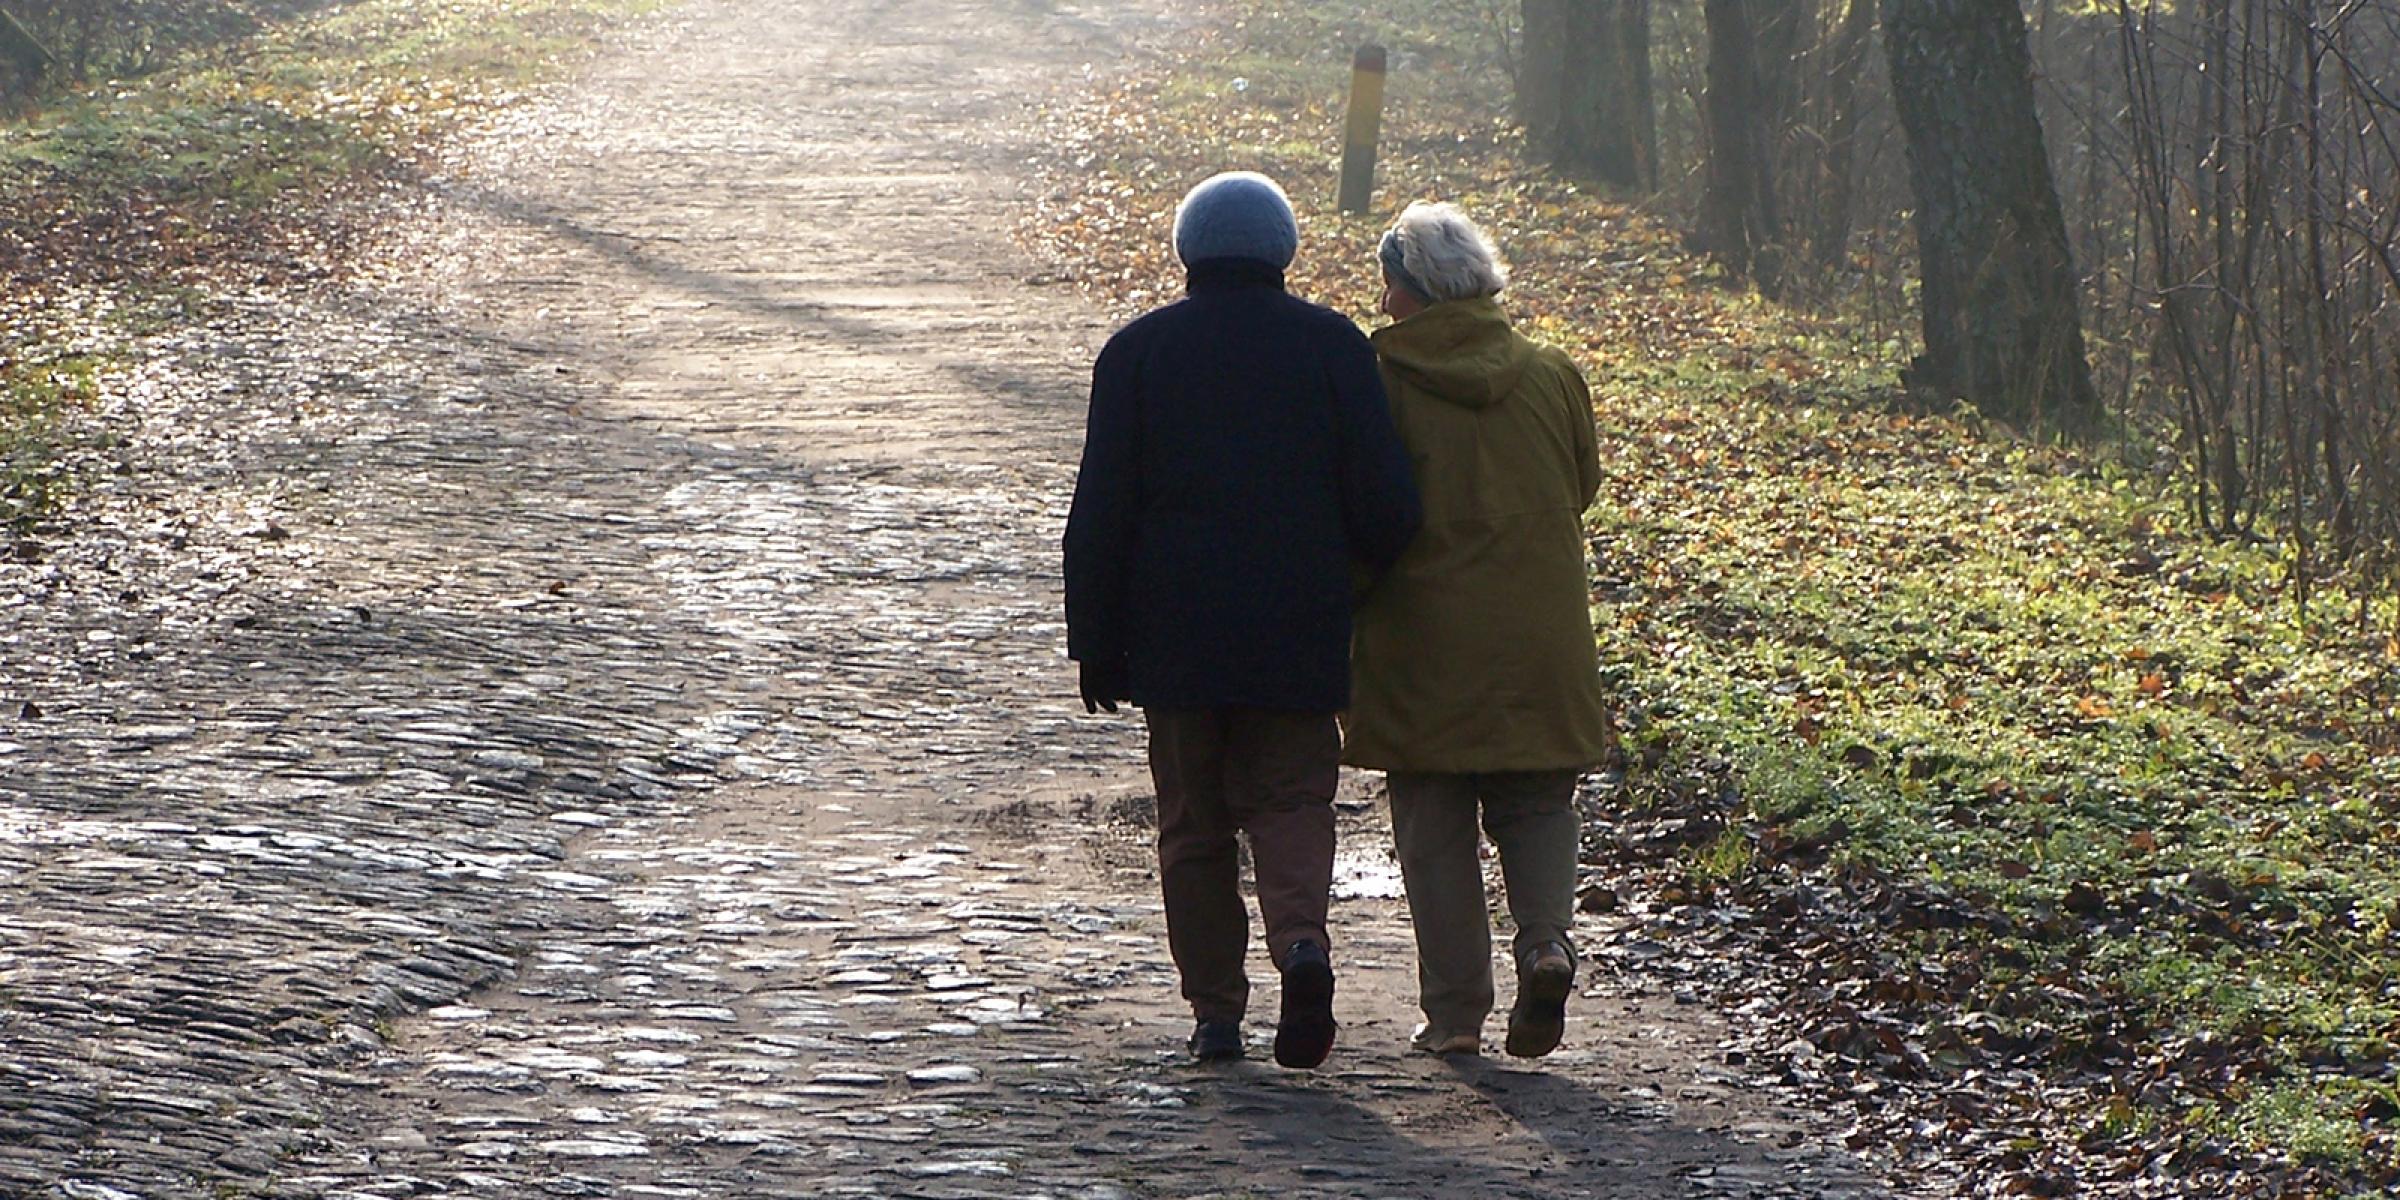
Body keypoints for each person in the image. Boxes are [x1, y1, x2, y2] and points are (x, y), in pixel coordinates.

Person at [1063, 171, 1422, 1068]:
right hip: (1298, 625)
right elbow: (1386, 502)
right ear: (1284, 251)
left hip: (1175, 636)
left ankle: (1216, 1013)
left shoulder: (1138, 352)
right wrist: (1354, 582)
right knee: (1294, 800)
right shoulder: (1335, 347)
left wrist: (1097, 645)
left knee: (1193, 823)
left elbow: (1099, 513)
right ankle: (1303, 946)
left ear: (1188, 251)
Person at [1344, 201, 1612, 1059]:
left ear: (1412, 291)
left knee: (1432, 818)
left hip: (1422, 634)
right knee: (1537, 801)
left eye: (1389, 285)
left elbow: (1361, 505)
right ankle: (1546, 943)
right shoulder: (1552, 371)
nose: (1382, 302)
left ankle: (1456, 1014)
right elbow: (1583, 481)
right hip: (1542, 630)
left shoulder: (1378, 380)